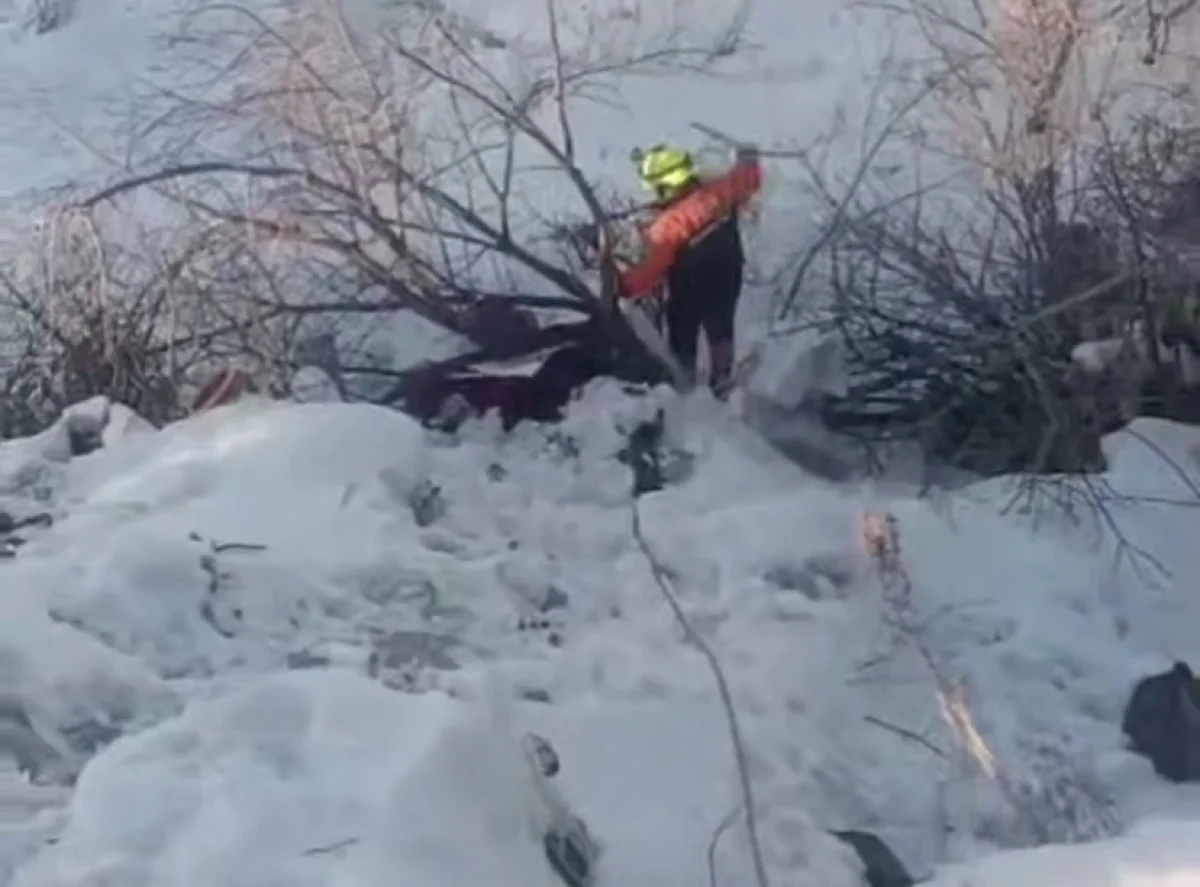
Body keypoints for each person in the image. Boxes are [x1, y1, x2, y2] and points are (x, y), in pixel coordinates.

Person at [617, 143, 763, 397]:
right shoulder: (721, 190)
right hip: (728, 275)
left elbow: (649, 270)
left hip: (689, 285)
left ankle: (683, 385)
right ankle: (722, 383)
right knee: (721, 330)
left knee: (682, 329)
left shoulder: (669, 225)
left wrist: (623, 287)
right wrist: (748, 159)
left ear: (666, 186)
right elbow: (748, 178)